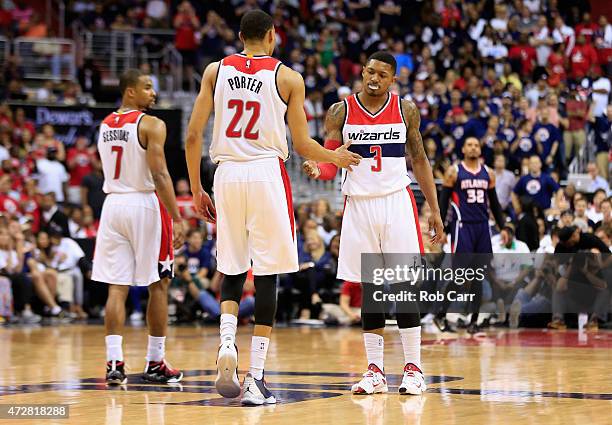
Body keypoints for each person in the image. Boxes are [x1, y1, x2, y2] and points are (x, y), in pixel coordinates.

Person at [184, 10, 360, 405]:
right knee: (268, 274)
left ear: (240, 35)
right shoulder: (287, 77)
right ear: (271, 36)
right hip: (266, 172)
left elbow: (194, 134)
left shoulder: (215, 71)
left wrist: (197, 189)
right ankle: (255, 379)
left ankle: (227, 341)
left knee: (230, 266)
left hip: (226, 173)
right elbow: (302, 146)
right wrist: (337, 158)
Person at [303, 51, 445, 396]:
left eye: (382, 75)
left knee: (404, 286)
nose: (374, 78)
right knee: (372, 289)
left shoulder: (405, 109)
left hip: (397, 201)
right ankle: (375, 371)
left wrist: (435, 210)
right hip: (359, 205)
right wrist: (317, 168)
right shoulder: (341, 111)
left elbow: (421, 161)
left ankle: (414, 369)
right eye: (369, 71)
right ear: (362, 71)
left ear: (393, 79)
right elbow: (330, 160)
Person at [93, 69, 186, 386]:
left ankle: (114, 362)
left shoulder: (105, 125)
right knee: (159, 284)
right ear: (129, 91)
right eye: (147, 87)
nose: (153, 93)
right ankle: (156, 362)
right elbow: (160, 175)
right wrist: (176, 215)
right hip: (144, 203)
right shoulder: (152, 124)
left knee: (116, 288)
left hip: (113, 204)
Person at [435, 137, 506, 333]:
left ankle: (473, 321)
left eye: (476, 145)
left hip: (483, 227)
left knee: (479, 276)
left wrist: (505, 227)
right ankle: (440, 314)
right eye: (470, 145)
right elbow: (443, 202)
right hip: (462, 227)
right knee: (460, 276)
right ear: (464, 149)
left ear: (480, 149)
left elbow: (495, 204)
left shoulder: (488, 173)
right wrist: (440, 226)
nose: (473, 147)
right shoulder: (454, 172)